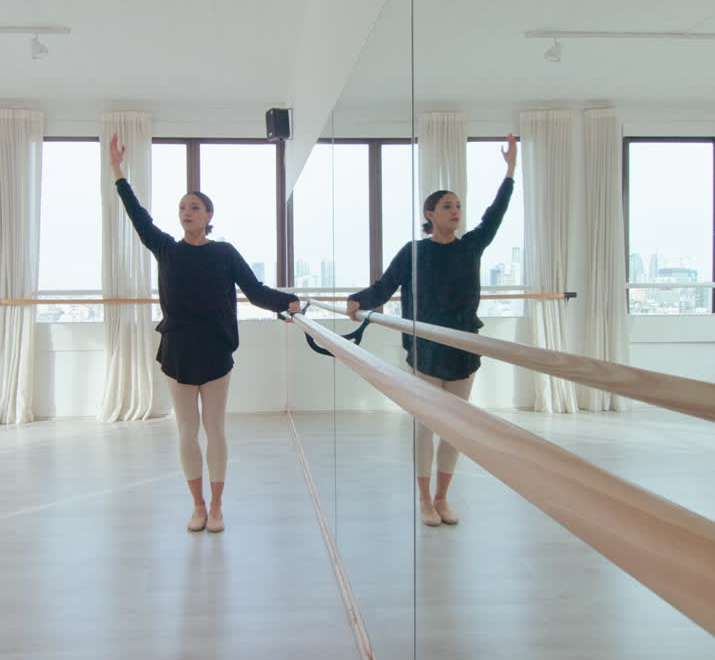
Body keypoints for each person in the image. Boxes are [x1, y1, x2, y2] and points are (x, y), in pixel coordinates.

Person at [109, 134, 301, 534]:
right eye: (182, 207)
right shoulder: (166, 248)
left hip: (214, 351)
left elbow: (257, 291)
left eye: (194, 207)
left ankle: (217, 506)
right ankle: (196, 505)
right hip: (177, 351)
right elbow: (138, 216)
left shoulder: (224, 252)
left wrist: (291, 301)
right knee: (186, 429)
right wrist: (118, 173)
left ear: (209, 214)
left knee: (215, 427)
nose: (186, 212)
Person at [346, 134, 517, 527]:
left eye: (458, 205)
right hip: (425, 350)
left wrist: (510, 171)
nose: (456, 210)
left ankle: (443, 497)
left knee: (456, 428)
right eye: (447, 205)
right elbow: (384, 287)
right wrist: (358, 299)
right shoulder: (414, 251)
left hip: (463, 349)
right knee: (426, 425)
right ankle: (424, 499)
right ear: (430, 213)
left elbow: (496, 214)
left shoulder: (471, 246)